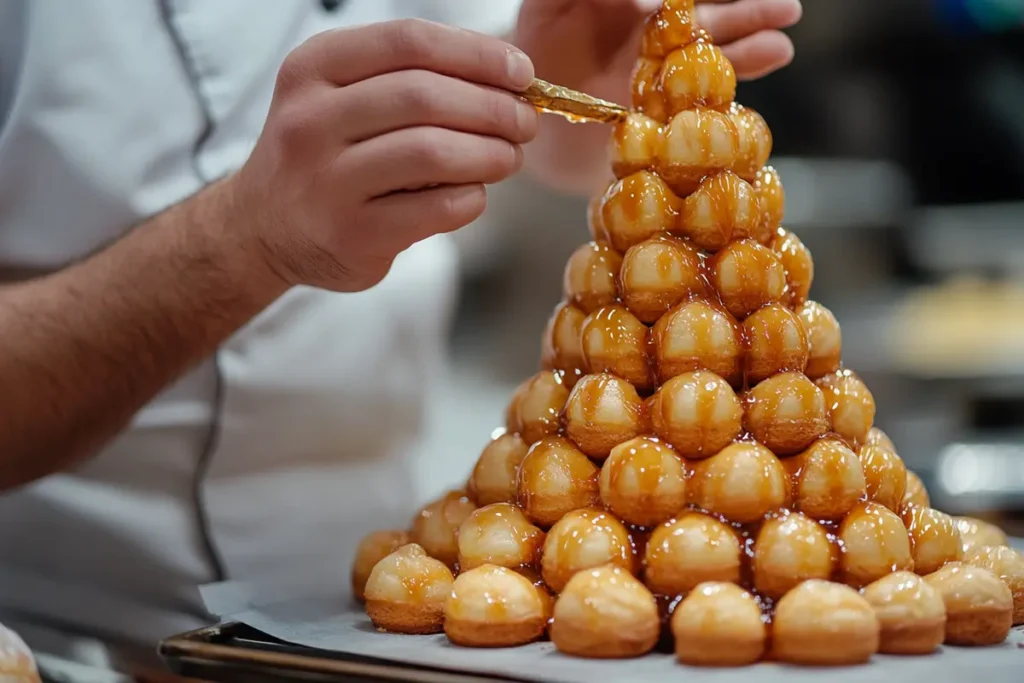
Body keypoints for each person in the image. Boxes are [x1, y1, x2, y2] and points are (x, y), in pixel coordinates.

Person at [0, 0, 802, 675]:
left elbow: (519, 92)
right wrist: (243, 238)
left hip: (399, 623)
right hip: (78, 640)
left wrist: (558, 95)